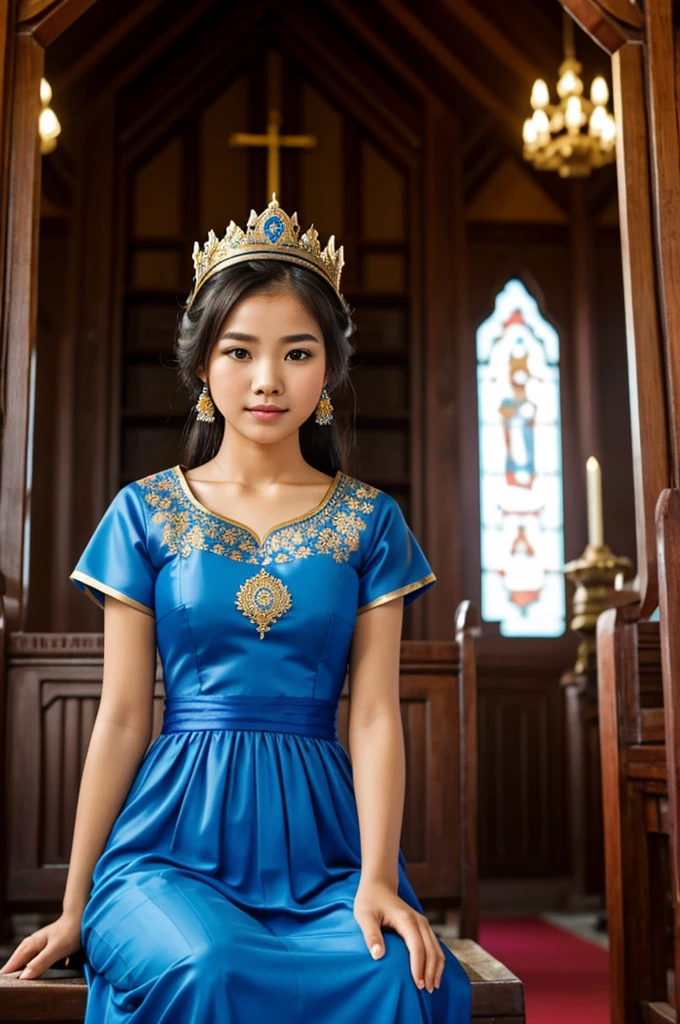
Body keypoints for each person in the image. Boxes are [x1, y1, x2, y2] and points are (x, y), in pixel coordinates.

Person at [0, 195, 472, 1022]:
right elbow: (117, 718)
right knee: (207, 964)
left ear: (328, 370)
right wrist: (74, 907)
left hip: (326, 852)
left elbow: (371, 718)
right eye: (240, 351)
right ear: (202, 368)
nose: (266, 380)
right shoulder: (144, 512)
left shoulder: (371, 520)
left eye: (297, 353)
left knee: (395, 974)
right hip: (167, 852)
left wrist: (373, 879)